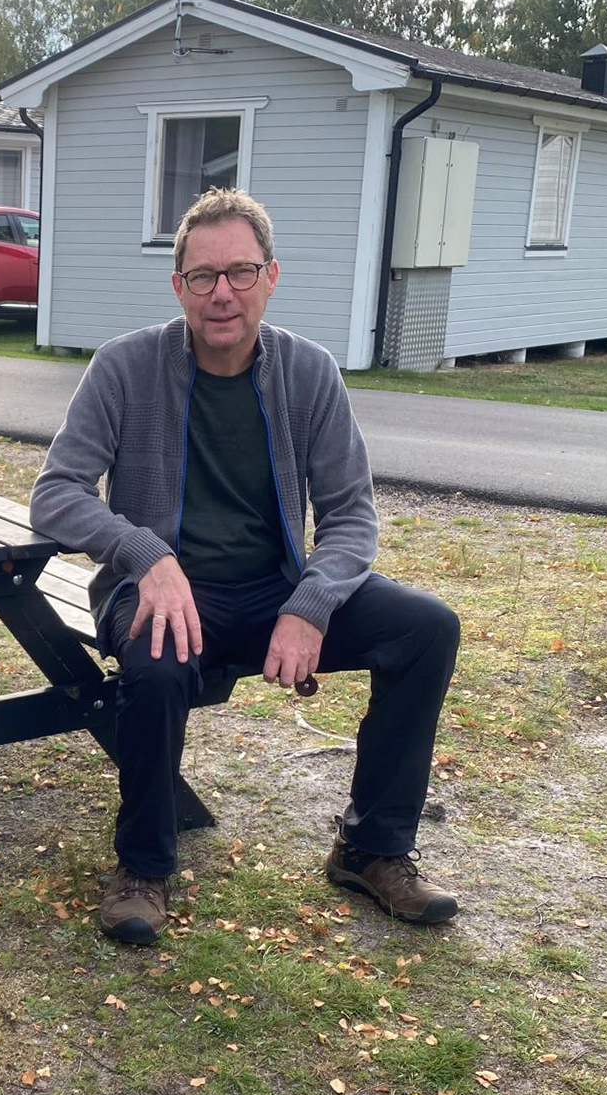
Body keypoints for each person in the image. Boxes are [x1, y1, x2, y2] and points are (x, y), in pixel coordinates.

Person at [30, 188, 460, 946]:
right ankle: (143, 867)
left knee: (425, 629)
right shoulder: (125, 367)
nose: (221, 292)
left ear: (270, 277)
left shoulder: (309, 371)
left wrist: (313, 603)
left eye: (240, 271)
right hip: (163, 589)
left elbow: (351, 516)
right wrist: (144, 554)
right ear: (179, 288)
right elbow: (56, 495)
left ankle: (372, 847)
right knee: (156, 661)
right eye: (202, 276)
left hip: (275, 588)